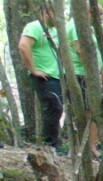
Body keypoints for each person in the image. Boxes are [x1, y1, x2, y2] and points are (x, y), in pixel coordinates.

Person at [19, 6, 61, 149]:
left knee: (57, 109)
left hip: (57, 75)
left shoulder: (54, 29)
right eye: (56, 12)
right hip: (45, 76)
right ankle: (50, 145)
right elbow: (23, 46)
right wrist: (33, 70)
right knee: (53, 108)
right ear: (47, 12)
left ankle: (53, 143)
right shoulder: (34, 27)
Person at [67, 4, 103, 157]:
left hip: (87, 75)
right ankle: (87, 148)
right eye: (99, 13)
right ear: (88, 11)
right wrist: (93, 75)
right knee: (88, 112)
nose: (101, 17)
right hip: (82, 75)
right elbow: (81, 51)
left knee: (91, 111)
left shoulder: (86, 27)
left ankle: (88, 146)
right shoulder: (77, 25)